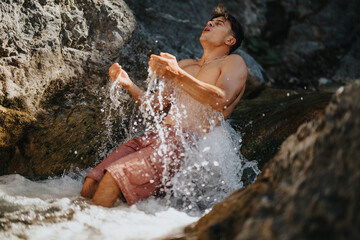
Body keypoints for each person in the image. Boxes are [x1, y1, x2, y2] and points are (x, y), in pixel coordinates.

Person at [80, 4, 247, 207]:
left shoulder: (232, 62)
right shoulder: (185, 64)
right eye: (209, 21)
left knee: (113, 178)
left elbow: (221, 100)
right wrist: (128, 83)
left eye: (218, 24)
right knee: (92, 181)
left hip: (185, 143)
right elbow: (155, 105)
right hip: (156, 137)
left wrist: (176, 74)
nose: (210, 23)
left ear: (230, 40)